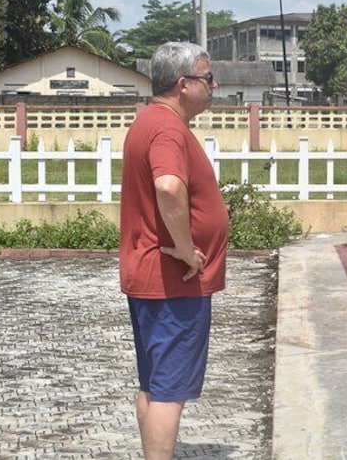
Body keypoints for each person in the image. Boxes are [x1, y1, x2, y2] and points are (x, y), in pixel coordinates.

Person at [119, 41, 229, 459]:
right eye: (207, 78)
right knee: (169, 391)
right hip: (173, 280)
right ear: (183, 84)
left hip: (152, 277)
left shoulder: (151, 121)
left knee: (153, 384)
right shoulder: (166, 128)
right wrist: (186, 249)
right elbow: (168, 187)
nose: (213, 85)